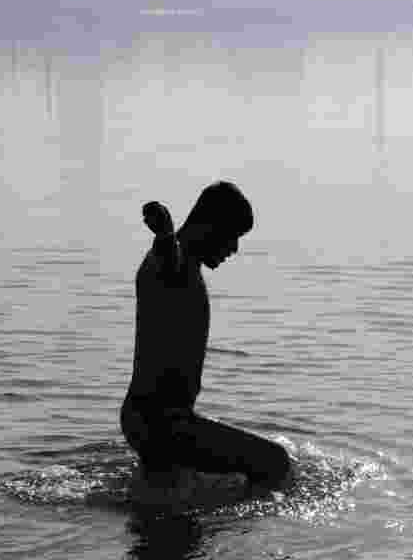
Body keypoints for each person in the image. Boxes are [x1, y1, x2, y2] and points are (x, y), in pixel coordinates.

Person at [120, 181, 292, 500]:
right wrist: (165, 234)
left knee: (170, 530)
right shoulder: (173, 264)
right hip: (160, 422)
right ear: (208, 226)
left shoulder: (186, 266)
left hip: (153, 420)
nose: (234, 249)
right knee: (274, 462)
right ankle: (251, 536)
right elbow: (168, 263)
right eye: (232, 236)